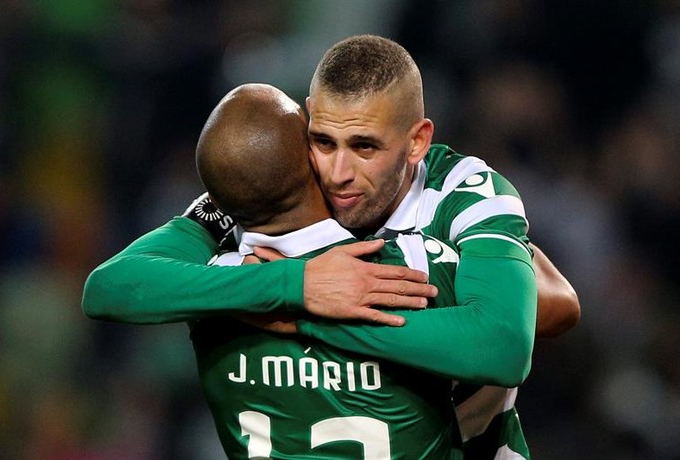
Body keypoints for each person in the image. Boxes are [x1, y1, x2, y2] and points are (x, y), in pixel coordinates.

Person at [83, 35, 579, 458]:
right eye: (323, 142)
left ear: (416, 142)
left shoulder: (461, 192)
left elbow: (544, 315)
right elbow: (109, 287)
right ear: (302, 126)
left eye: (364, 147)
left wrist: (304, 314)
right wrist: (294, 284)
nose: (339, 174)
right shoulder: (264, 192)